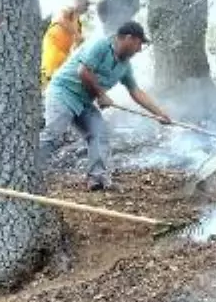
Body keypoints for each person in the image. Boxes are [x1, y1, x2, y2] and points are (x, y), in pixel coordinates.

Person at [39, 20, 171, 191]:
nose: (139, 50)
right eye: (138, 44)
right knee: (53, 134)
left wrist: (159, 113)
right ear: (128, 38)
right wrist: (101, 94)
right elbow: (83, 71)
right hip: (63, 92)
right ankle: (25, 170)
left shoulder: (125, 66)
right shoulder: (101, 45)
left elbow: (136, 91)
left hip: (84, 101)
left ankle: (97, 179)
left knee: (99, 133)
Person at [40, 0, 92, 88]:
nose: (86, 7)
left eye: (87, 6)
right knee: (52, 72)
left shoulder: (78, 23)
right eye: (85, 4)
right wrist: (77, 34)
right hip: (53, 46)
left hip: (65, 53)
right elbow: (61, 20)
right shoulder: (66, 10)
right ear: (77, 2)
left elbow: (78, 43)